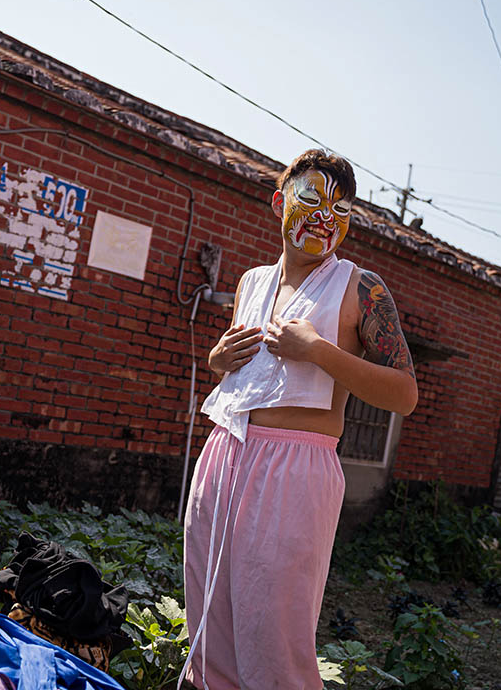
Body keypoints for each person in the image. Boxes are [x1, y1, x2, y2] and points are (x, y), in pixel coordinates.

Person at [183, 149, 417, 689]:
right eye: (310, 198)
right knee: (209, 614)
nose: (323, 216)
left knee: (274, 630)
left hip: (297, 465)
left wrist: (320, 351)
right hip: (225, 448)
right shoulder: (250, 282)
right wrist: (218, 360)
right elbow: (237, 375)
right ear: (279, 202)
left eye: (340, 208)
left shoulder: (362, 288)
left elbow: (405, 395)